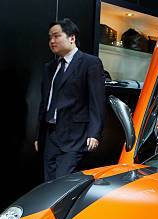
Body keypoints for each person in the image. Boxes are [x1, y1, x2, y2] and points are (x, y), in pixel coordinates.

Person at [35, 18, 105, 181]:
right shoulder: (50, 67)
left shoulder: (90, 63)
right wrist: (39, 135)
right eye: (50, 37)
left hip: (75, 135)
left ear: (71, 38)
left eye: (56, 36)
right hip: (50, 134)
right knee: (48, 181)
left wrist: (94, 133)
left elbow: (97, 100)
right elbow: (45, 102)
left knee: (62, 181)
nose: (52, 41)